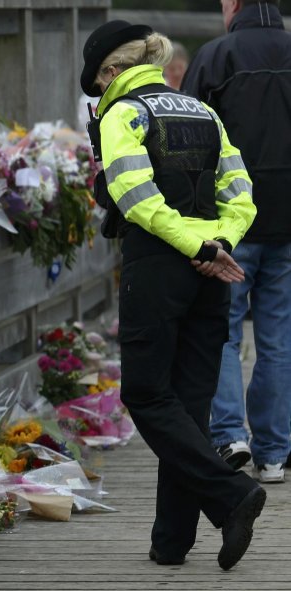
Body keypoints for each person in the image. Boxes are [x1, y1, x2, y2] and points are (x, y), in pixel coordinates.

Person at [81, 20, 264, 570]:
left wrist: (196, 245)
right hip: (211, 273)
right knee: (188, 404)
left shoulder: (124, 113)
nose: (100, 94)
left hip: (160, 265)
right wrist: (218, 244)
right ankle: (171, 541)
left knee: (145, 394)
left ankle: (231, 495)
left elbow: (135, 197)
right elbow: (242, 193)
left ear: (112, 70)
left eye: (98, 82)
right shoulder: (201, 111)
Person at [182, 0, 291, 485]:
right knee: (278, 339)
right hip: (289, 224)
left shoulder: (214, 57)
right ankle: (274, 452)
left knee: (222, 331)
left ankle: (230, 435)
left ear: (235, 4)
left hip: (230, 223)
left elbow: (184, 139)